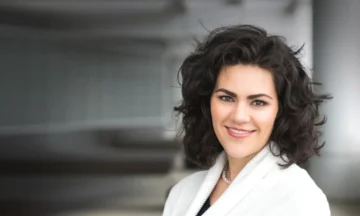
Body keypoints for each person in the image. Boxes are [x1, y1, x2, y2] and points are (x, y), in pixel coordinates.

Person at [162, 24, 333, 216]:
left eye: (258, 102)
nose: (239, 116)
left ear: (282, 111)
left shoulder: (301, 200)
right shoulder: (183, 192)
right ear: (207, 103)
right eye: (226, 98)